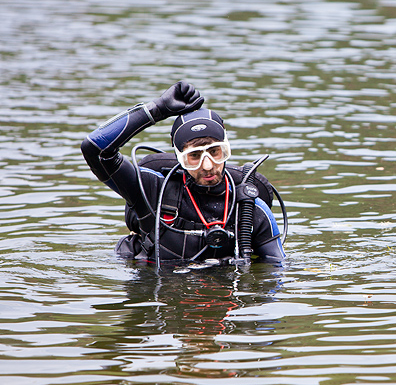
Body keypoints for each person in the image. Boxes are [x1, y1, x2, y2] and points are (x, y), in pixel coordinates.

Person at [81, 81, 285, 264]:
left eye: (215, 152)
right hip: (158, 296)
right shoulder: (151, 191)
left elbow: (276, 272)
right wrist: (157, 110)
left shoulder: (249, 207)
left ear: (225, 151)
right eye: (194, 156)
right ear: (180, 157)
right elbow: (94, 148)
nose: (207, 166)